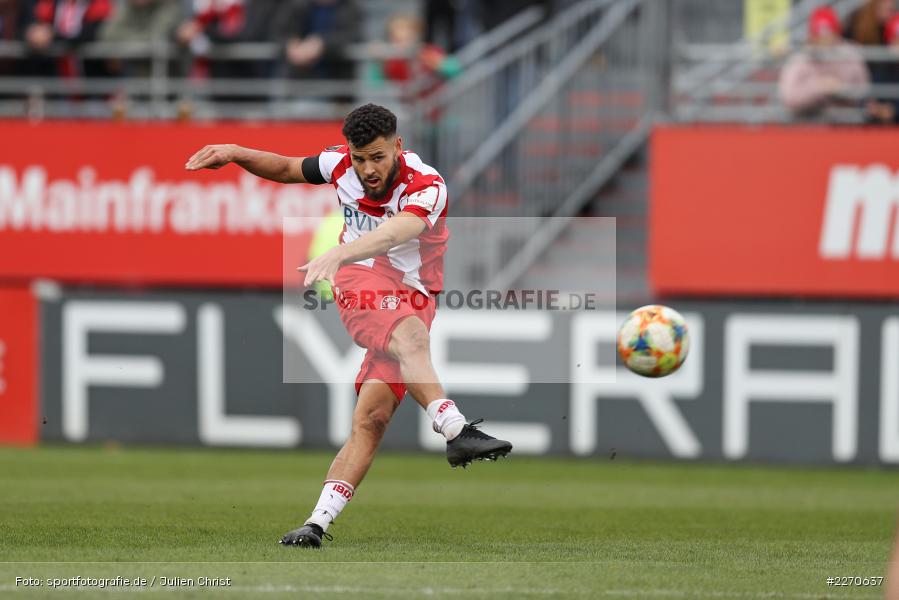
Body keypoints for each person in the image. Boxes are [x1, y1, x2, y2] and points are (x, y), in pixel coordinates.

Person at [185, 103, 513, 548]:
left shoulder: (428, 185)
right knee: (411, 337)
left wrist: (340, 251)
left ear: (398, 146)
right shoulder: (339, 163)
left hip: (413, 295)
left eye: (377, 157)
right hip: (361, 280)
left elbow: (399, 231)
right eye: (359, 158)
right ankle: (455, 429)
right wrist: (235, 150)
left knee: (372, 418)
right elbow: (285, 167)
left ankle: (315, 524)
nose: (367, 169)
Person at [778, 6, 870, 117]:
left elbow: (863, 90)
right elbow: (789, 97)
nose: (825, 41)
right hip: (808, 123)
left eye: (829, 35)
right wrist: (820, 87)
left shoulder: (850, 55)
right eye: (819, 36)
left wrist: (840, 89)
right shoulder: (801, 59)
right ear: (812, 37)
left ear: (837, 35)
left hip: (845, 123)